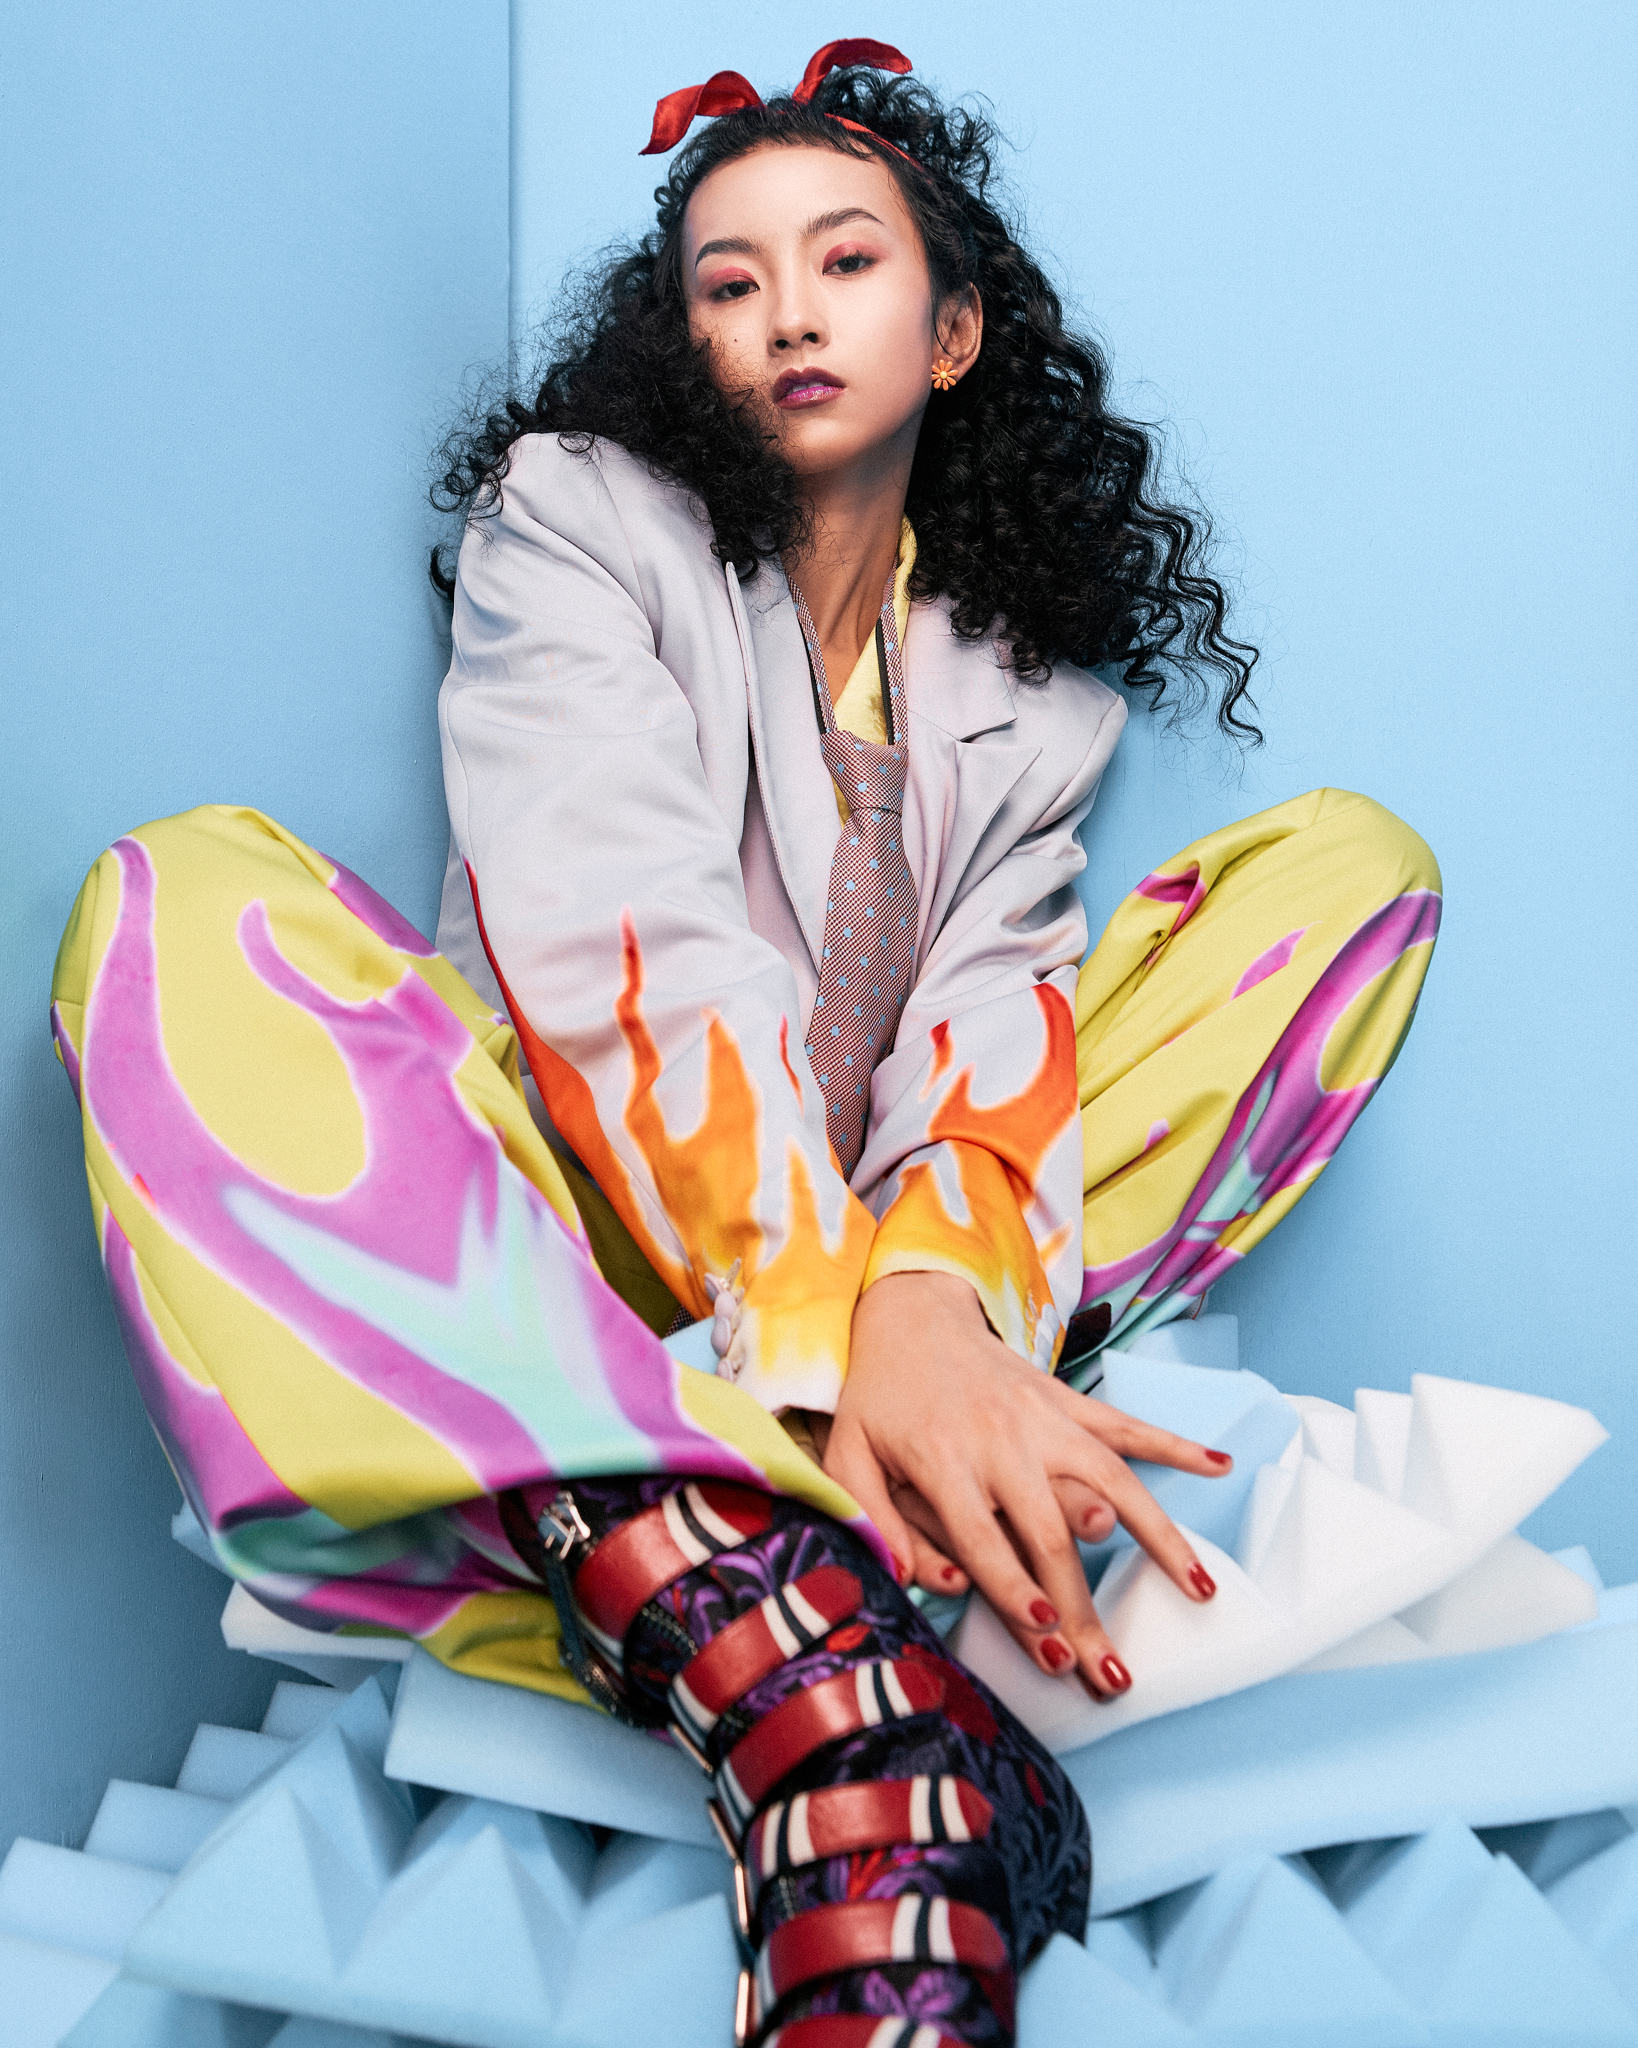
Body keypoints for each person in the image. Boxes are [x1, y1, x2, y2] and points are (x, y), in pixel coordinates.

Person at [50, 42, 1440, 2048]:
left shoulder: (1028, 696)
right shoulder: (575, 516)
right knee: (185, 895)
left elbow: (991, 1017)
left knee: (1347, 872)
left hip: (895, 1272)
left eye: (845, 260)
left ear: (952, 331)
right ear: (684, 340)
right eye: (729, 280)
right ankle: (803, 1615)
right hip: (568, 1262)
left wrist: (931, 1303)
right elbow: (630, 946)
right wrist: (827, 1325)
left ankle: (828, 1478)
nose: (788, 309)